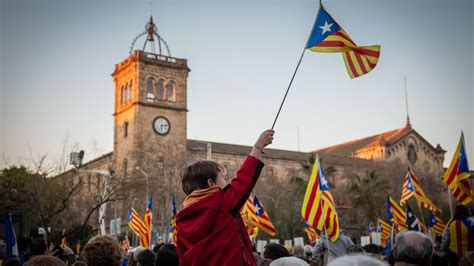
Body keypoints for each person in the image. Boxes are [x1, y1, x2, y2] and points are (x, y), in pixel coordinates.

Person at [175, 129, 275, 265]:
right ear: (211, 183)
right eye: (222, 178)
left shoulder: (181, 220)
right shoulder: (221, 204)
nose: (227, 182)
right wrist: (258, 147)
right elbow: (243, 180)